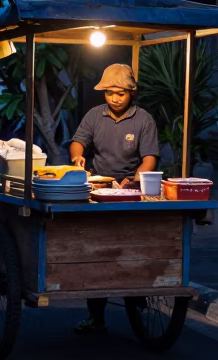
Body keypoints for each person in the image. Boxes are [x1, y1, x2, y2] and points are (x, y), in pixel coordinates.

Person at [68, 63, 161, 334]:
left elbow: (150, 158)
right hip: (99, 189)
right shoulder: (95, 115)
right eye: (110, 93)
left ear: (131, 93)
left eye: (120, 93)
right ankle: (96, 316)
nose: (115, 98)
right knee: (96, 251)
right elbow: (78, 140)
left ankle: (137, 293)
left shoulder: (144, 119)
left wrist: (134, 180)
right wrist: (77, 157)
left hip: (133, 190)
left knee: (134, 246)